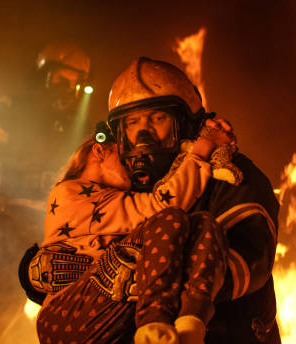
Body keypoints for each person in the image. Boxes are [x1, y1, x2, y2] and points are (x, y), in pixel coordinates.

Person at [106, 57, 280, 343]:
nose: (142, 135)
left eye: (157, 118)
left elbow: (249, 261)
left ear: (186, 123)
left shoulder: (231, 175)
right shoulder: (122, 189)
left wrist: (146, 282)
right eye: (132, 123)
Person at [30, 118, 234, 344]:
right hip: (66, 316)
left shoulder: (107, 199)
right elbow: (163, 206)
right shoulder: (71, 192)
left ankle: (190, 331)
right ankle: (155, 328)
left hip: (101, 313)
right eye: (123, 158)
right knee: (169, 219)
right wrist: (202, 150)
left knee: (203, 225)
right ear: (99, 150)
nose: (132, 165)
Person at [0, 41, 93, 343]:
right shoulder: (14, 108)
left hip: (60, 221)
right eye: (62, 78)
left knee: (65, 297)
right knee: (12, 284)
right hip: (13, 209)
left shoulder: (78, 121)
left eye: (75, 81)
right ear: (44, 74)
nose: (68, 87)